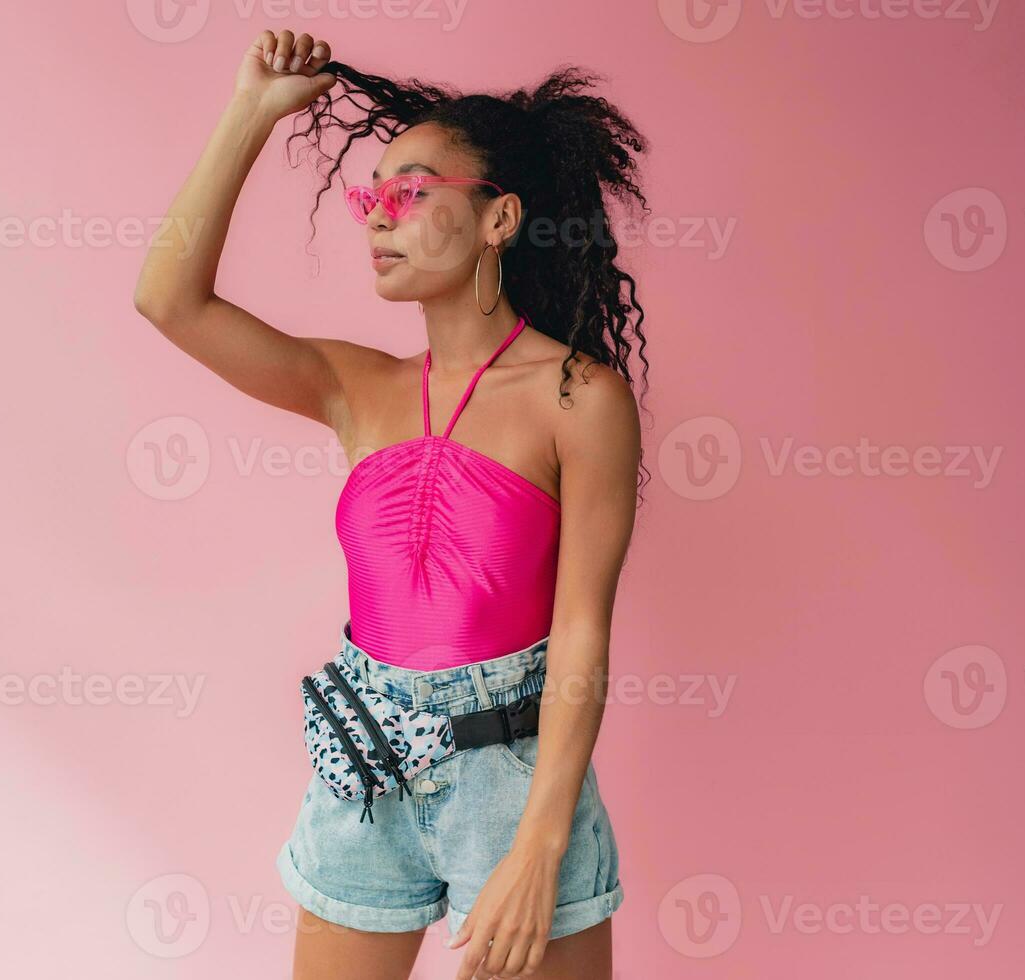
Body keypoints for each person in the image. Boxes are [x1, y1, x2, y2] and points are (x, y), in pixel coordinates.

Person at [134, 29, 651, 980]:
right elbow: (168, 300)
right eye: (371, 196)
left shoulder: (578, 398)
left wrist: (539, 846)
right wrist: (250, 111)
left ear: (500, 220)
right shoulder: (355, 386)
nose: (376, 217)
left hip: (515, 775)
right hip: (361, 761)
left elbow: (582, 630)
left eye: (410, 192)